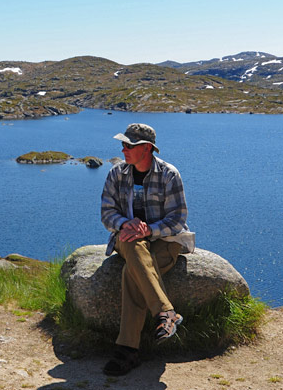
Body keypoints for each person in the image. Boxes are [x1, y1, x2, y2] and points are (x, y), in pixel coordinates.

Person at [100, 123, 195, 376]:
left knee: (132, 273)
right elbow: (107, 214)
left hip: (163, 241)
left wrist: (149, 231)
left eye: (129, 146)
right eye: (123, 144)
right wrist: (125, 224)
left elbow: (178, 220)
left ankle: (127, 351)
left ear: (147, 148)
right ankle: (165, 312)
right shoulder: (116, 173)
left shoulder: (169, 174)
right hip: (128, 238)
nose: (123, 150)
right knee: (132, 243)